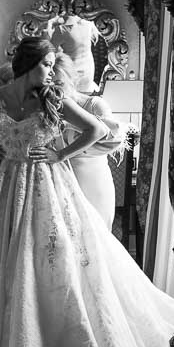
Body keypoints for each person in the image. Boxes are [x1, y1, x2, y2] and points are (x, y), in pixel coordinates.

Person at [0, 35, 174, 347]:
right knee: (0, 261)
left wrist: (60, 152)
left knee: (48, 264)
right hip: (3, 189)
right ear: (30, 63)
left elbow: (96, 130)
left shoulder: (52, 98)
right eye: (46, 64)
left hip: (46, 187)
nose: (51, 72)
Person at [52, 51, 123, 229]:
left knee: (96, 237)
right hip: (59, 183)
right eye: (49, 85)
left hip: (92, 180)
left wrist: (74, 124)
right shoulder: (45, 109)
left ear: (71, 80)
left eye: (59, 83)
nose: (55, 91)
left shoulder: (94, 105)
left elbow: (114, 140)